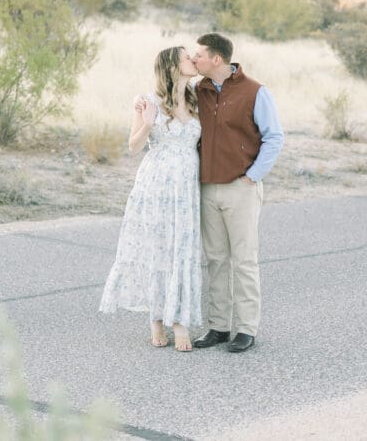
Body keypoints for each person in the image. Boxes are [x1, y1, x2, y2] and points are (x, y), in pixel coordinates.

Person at [99, 46, 203, 351]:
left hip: (186, 186)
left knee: (182, 248)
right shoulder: (149, 101)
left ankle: (179, 320)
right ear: (172, 66)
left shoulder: (198, 97)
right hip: (156, 184)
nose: (192, 60)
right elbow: (133, 146)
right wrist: (146, 121)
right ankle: (156, 318)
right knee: (158, 248)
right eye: (186, 57)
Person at [190, 33, 284, 353]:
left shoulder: (254, 91)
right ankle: (218, 326)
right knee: (216, 260)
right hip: (207, 187)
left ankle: (246, 329)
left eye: (199, 55)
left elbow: (274, 137)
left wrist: (252, 177)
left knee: (244, 260)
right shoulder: (199, 90)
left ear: (216, 59)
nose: (194, 59)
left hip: (240, 188)